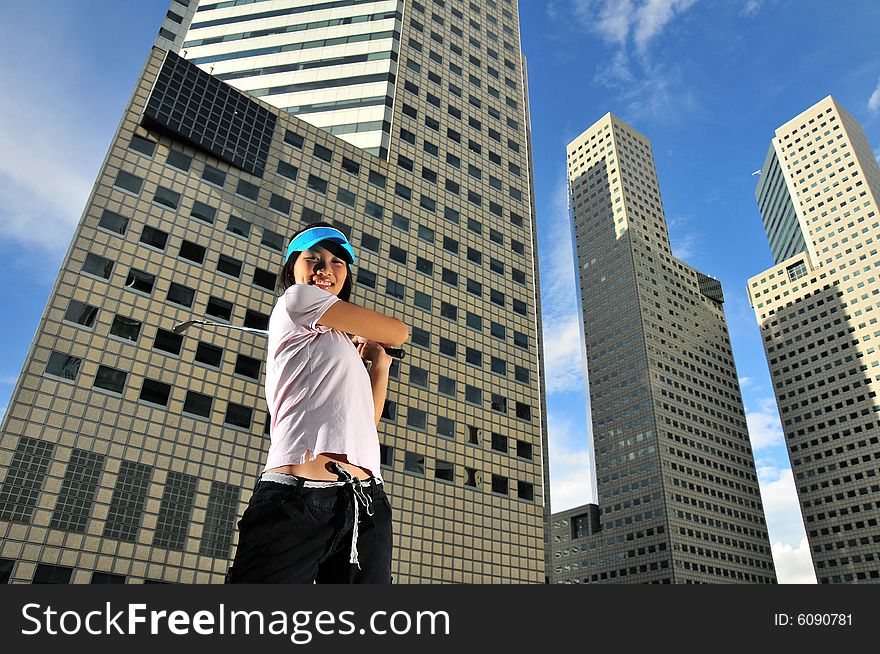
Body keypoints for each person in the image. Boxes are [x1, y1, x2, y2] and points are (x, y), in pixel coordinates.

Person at [226, 222, 408, 583]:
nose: (326, 269)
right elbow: (399, 332)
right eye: (314, 259)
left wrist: (379, 365)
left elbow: (364, 425)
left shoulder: (338, 344)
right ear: (292, 269)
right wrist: (370, 334)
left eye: (338, 262)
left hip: (365, 503)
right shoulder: (296, 300)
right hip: (298, 500)